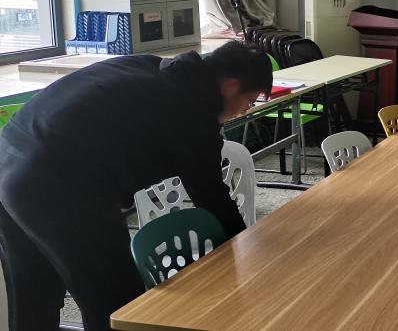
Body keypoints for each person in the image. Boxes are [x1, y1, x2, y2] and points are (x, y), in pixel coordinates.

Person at [0, 41, 271, 330]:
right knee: (118, 304)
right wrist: (251, 256)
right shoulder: (190, 114)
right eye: (249, 101)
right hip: (59, 185)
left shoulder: (154, 67)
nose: (244, 111)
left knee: (35, 291)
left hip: (8, 160)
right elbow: (214, 199)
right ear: (230, 86)